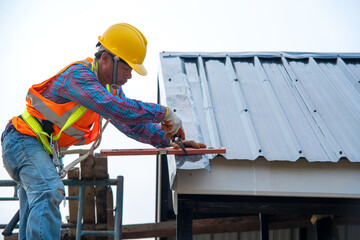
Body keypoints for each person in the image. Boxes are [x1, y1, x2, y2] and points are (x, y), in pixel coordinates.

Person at [1, 23, 206, 239]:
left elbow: (131, 124)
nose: (129, 76)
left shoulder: (109, 90)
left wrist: (168, 141)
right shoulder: (79, 76)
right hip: (23, 142)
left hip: (39, 151)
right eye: (127, 68)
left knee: (33, 215)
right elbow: (114, 108)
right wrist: (163, 113)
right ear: (106, 58)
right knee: (49, 191)